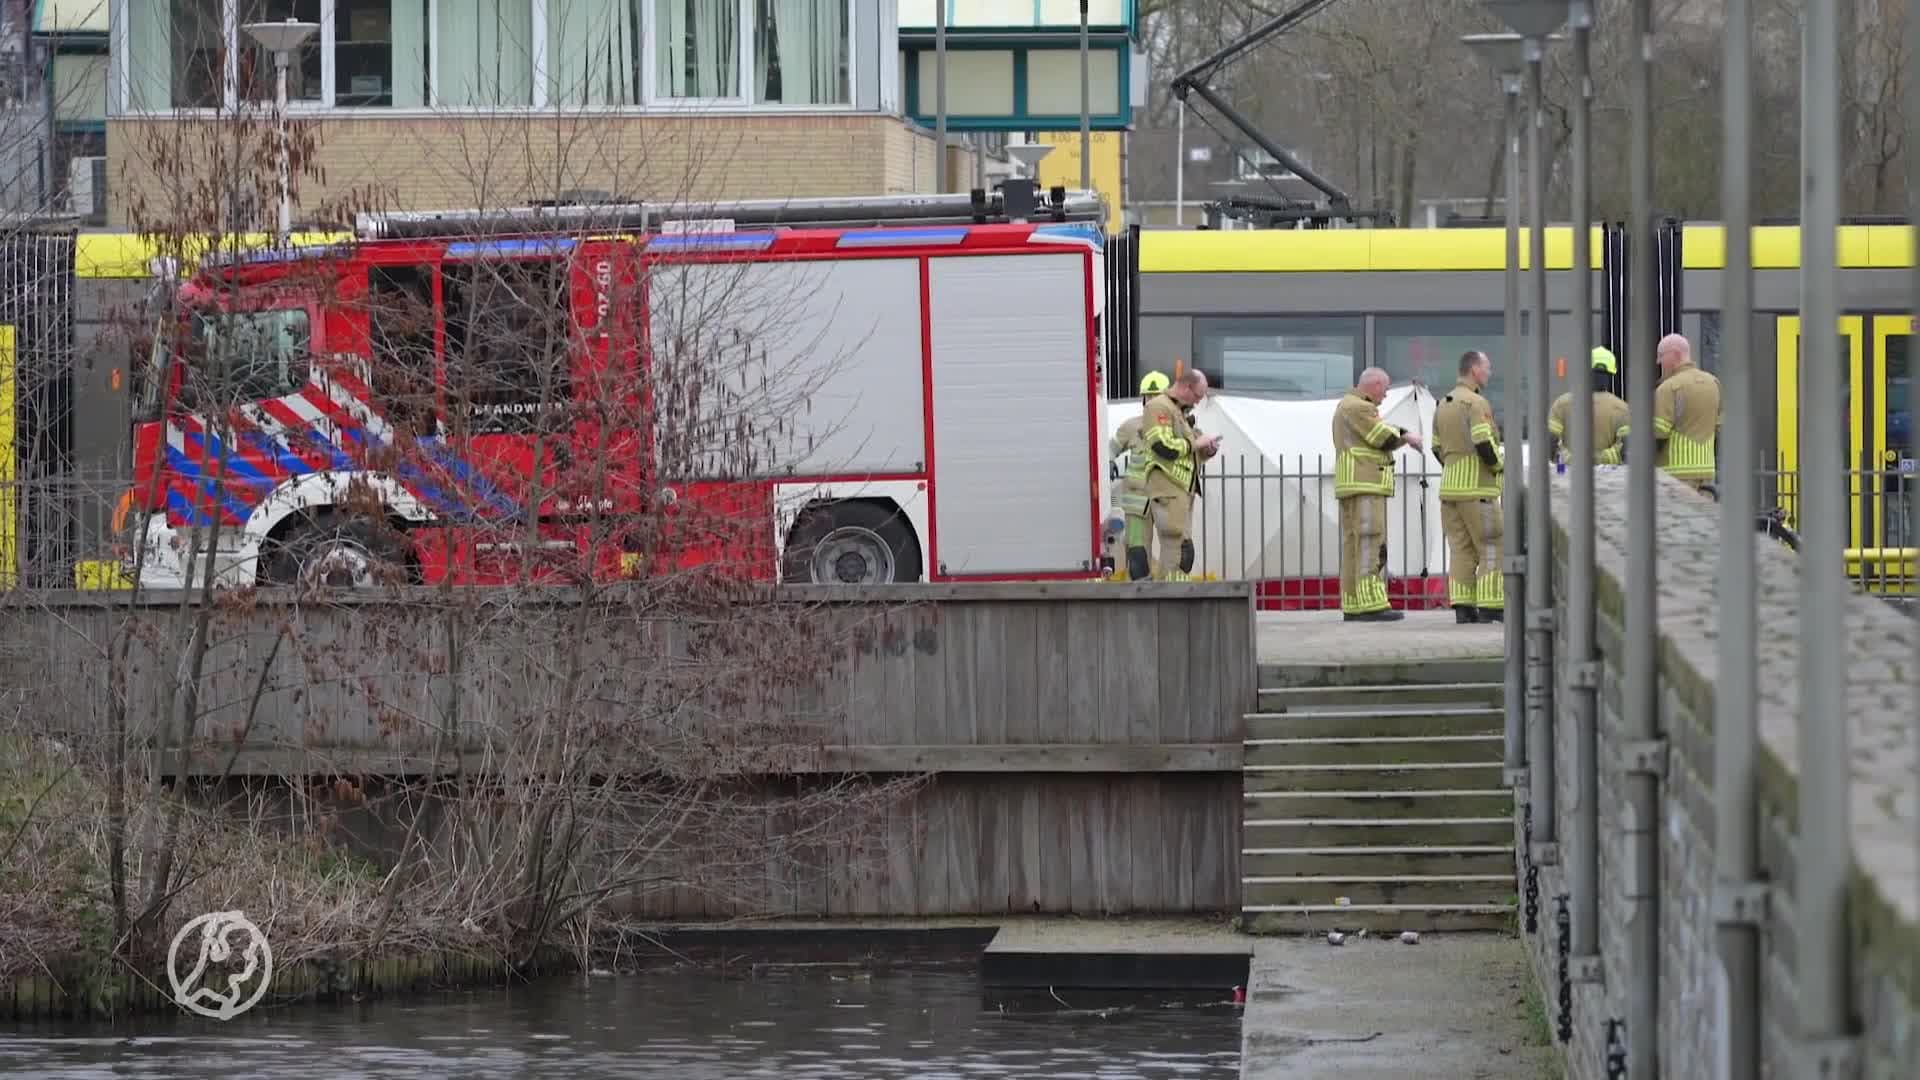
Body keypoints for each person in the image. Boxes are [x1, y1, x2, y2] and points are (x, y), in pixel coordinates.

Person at [1332, 367, 1422, 621]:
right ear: (1373, 384)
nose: (1386, 394)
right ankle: (1371, 604)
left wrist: (1399, 433)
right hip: (1367, 483)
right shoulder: (1360, 407)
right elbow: (1381, 436)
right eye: (1385, 387)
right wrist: (1407, 437)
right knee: (1371, 541)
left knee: (1353, 544)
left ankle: (1352, 603)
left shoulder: (1346, 406)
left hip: (1351, 484)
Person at [1123, 369, 1221, 581]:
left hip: (1180, 491)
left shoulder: (1179, 413)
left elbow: (1186, 454)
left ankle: (1169, 597)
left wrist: (1206, 450)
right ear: (1187, 387)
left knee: (1182, 553)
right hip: (1162, 492)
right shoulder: (1158, 409)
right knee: (1157, 553)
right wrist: (1197, 443)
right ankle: (1161, 600)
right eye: (1197, 396)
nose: (1197, 403)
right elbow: (1163, 447)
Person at [1431, 350, 1504, 624]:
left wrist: (1454, 468)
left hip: (1449, 488)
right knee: (1492, 545)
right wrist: (1499, 466)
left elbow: (1436, 447)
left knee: (1460, 548)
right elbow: (1483, 442)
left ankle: (1463, 607)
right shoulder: (1476, 403)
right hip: (1478, 489)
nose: (1489, 373)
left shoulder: (1443, 403)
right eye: (1487, 367)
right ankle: (1491, 606)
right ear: (1474, 369)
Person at [1620, 333, 1722, 489]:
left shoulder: (1669, 387)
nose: (1658, 362)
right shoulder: (1714, 383)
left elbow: (1659, 431)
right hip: (1707, 473)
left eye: (1661, 356)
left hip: (1674, 474)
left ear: (1675, 354)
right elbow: (1720, 425)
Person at [1108, 371, 1171, 578]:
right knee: (1137, 553)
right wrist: (1108, 461)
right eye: (1148, 396)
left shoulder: (1177, 426)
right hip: (1137, 501)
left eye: (1157, 397)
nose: (1151, 401)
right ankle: (1140, 595)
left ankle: (1170, 594)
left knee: (1174, 551)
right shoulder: (1131, 426)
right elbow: (1111, 447)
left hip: (1166, 499)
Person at [1547, 347, 1631, 466]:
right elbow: (1627, 450)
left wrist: (1569, 458)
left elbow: (1550, 443)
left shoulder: (1562, 404)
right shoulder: (1622, 408)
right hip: (1609, 475)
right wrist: (1603, 459)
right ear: (1612, 373)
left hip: (1570, 475)